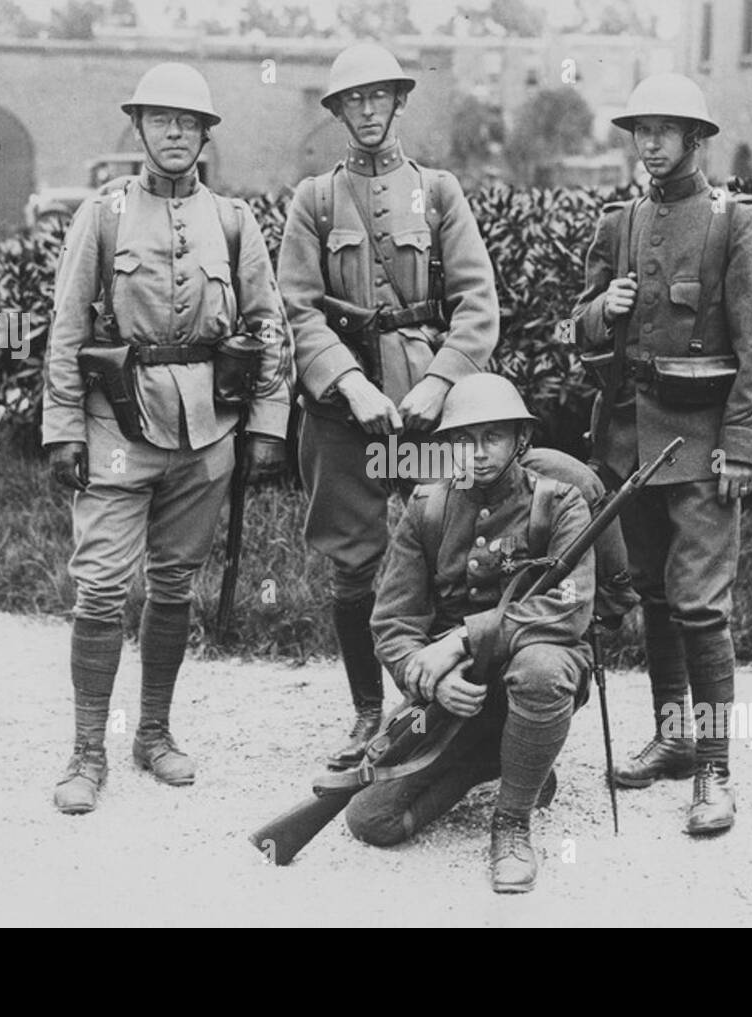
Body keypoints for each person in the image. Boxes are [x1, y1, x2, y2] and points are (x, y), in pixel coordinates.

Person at [42, 62, 291, 814]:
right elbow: (67, 327)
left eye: (188, 122)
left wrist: (268, 424)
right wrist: (61, 426)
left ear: (206, 133)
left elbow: (266, 324)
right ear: (141, 130)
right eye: (160, 121)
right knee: (103, 585)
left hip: (207, 429)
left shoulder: (234, 220)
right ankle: (88, 749)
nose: (175, 133)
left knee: (175, 582)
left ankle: (153, 732)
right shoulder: (105, 213)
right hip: (117, 422)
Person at [571, 72, 752, 835]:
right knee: (655, 595)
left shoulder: (738, 224)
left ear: (698, 138)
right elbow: (582, 330)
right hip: (632, 443)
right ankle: (671, 737)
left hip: (700, 449)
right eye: (642, 130)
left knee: (700, 605)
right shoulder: (622, 222)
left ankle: (716, 768)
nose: (652, 143)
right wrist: (605, 310)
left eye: (668, 130)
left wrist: (742, 448)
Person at [278, 42, 498, 770]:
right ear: (337, 110)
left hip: (431, 410)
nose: (367, 111)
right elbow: (299, 310)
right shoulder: (313, 200)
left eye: (380, 98)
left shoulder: (437, 192)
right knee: (352, 563)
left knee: (445, 551)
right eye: (353, 100)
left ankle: (433, 703)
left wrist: (439, 381)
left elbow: (477, 305)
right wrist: (348, 381)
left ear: (399, 102)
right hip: (344, 413)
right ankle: (367, 711)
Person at [346, 373, 595, 894]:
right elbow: (393, 622)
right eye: (463, 440)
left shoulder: (560, 503)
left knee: (543, 669)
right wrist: (430, 683)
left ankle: (511, 822)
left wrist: (460, 640)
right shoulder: (428, 508)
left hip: (532, 667)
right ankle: (502, 757)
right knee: (372, 821)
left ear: (520, 441)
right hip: (456, 689)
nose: (477, 454)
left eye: (492, 438)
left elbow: (569, 607)